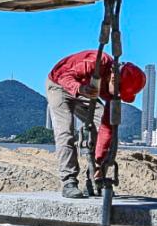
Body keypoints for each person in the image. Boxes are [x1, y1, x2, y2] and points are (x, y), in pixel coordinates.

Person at [45, 51, 146, 198]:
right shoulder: (96, 62)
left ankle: (94, 178)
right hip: (59, 84)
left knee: (102, 122)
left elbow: (106, 129)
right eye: (120, 92)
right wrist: (80, 89)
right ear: (113, 78)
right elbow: (63, 76)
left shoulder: (114, 93)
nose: (118, 96)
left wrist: (99, 163)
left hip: (86, 91)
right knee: (65, 132)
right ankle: (69, 181)